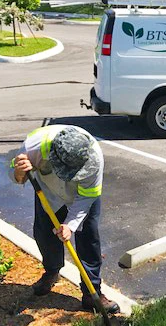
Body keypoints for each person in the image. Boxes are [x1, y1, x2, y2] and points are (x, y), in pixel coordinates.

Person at [9, 124, 119, 313]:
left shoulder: (94, 158)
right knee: (45, 235)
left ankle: (92, 292)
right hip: (49, 194)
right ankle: (51, 271)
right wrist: (20, 173)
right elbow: (17, 178)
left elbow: (86, 198)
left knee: (89, 240)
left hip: (81, 196)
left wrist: (71, 224)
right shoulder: (31, 148)